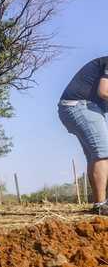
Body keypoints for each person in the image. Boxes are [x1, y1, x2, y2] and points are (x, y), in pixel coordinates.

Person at [58, 56, 108, 213]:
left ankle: (100, 203)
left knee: (96, 155)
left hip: (79, 107)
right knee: (103, 154)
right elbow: (104, 91)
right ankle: (101, 205)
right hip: (80, 105)